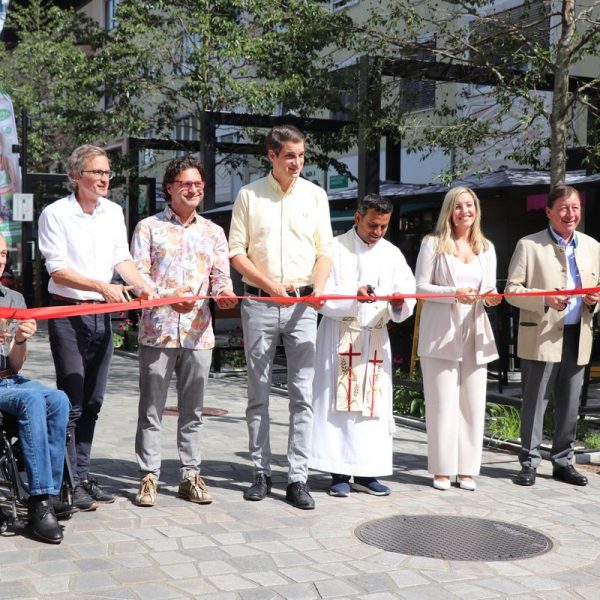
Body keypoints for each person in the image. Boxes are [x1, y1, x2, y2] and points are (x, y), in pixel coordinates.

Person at [38, 144, 156, 511]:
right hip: (68, 313)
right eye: (97, 172)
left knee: (93, 401)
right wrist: (101, 286)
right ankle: (64, 481)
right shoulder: (55, 214)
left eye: (107, 172)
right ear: (76, 177)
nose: (105, 178)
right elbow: (56, 269)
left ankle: (82, 474)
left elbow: (122, 259)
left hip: (103, 314)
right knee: (70, 401)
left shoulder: (114, 212)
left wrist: (143, 286)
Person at [229, 124, 333, 510]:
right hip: (259, 304)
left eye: (302, 155)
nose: (298, 162)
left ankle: (298, 478)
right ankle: (260, 471)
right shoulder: (248, 196)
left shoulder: (315, 195)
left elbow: (325, 249)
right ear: (271, 156)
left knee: (302, 395)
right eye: (290, 155)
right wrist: (270, 285)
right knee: (258, 391)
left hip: (304, 306)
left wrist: (318, 287)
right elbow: (236, 252)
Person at [130, 156, 237, 507]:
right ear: (170, 188)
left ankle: (190, 474)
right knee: (152, 408)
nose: (194, 189)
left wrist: (223, 295)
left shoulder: (214, 232)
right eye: (186, 184)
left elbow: (220, 278)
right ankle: (149, 475)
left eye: (198, 184)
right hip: (157, 330)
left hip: (198, 332)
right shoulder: (148, 227)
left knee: (193, 411)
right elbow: (139, 278)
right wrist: (165, 298)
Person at [309, 194, 416, 497]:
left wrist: (399, 302)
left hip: (375, 339)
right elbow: (320, 294)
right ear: (358, 218)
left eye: (383, 226)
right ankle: (339, 472)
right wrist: (352, 295)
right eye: (372, 225)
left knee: (373, 408)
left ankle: (368, 473)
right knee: (339, 406)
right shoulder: (334, 248)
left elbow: (408, 293)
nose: (378, 232)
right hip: (339, 336)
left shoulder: (392, 253)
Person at [506, 184, 600, 487]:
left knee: (570, 403)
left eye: (574, 207)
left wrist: (594, 301)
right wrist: (544, 299)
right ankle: (529, 462)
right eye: (563, 207)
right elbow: (511, 292)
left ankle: (563, 462)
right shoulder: (529, 245)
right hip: (542, 335)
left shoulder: (593, 247)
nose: (569, 214)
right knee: (536, 402)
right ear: (548, 211)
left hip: (578, 334)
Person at [415, 186, 501, 491]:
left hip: (475, 332)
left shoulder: (486, 248)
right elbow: (420, 288)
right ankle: (441, 469)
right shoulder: (433, 244)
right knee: (442, 403)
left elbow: (488, 289)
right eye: (459, 206)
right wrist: (453, 294)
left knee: (473, 404)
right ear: (449, 211)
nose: (465, 211)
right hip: (440, 333)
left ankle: (467, 470)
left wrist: (491, 299)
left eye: (470, 205)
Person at [0, 233, 74, 543]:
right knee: (31, 400)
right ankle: (39, 501)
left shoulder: (13, 300)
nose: (0, 259)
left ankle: (51, 491)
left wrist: (20, 340)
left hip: (7, 378)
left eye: (3, 254)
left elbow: (16, 366)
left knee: (58, 398)